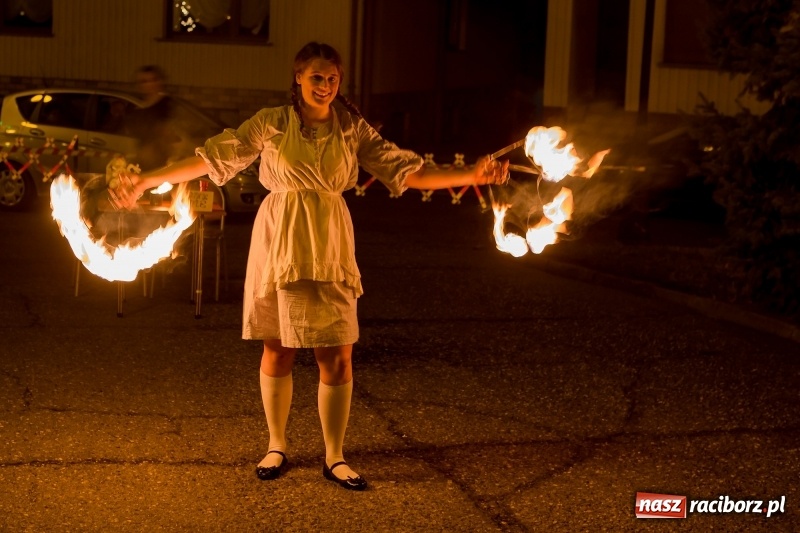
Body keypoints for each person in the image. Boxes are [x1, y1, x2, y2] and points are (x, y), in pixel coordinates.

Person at [112, 42, 508, 491]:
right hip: (280, 237)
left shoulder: (352, 130)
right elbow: (211, 158)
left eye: (332, 79)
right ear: (298, 78)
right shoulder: (271, 123)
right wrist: (147, 179)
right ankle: (276, 445)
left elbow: (408, 171)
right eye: (316, 77)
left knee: (337, 353)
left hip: (330, 241)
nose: (324, 86)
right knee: (278, 347)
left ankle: (335, 456)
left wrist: (472, 175)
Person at [127, 65, 180, 172]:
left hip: (164, 165)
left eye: (153, 80)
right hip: (144, 165)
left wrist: (174, 159)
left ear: (160, 82)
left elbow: (177, 136)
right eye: (144, 81)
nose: (149, 84)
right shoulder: (138, 109)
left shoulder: (168, 105)